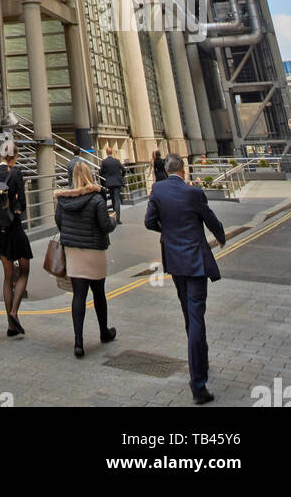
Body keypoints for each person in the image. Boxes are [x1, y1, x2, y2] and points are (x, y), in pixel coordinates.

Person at [144, 152, 226, 405]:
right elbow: (210, 220)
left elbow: (149, 222)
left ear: (168, 170)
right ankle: (198, 383)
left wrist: (167, 231)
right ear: (183, 169)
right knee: (196, 316)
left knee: (188, 314)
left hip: (175, 262)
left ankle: (200, 359)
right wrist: (221, 237)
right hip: (196, 261)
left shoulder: (157, 190)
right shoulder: (193, 193)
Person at [54, 159, 118, 357]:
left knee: (78, 296)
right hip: (94, 252)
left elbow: (59, 224)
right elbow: (105, 226)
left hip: (73, 252)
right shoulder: (97, 200)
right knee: (99, 294)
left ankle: (78, 342)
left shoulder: (63, 201)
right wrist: (114, 220)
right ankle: (104, 332)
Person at [0, 148, 32, 337]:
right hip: (14, 227)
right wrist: (15, 208)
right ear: (14, 157)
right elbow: (22, 202)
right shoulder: (16, 173)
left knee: (7, 275)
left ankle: (11, 326)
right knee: (24, 270)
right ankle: (14, 313)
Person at [100, 144, 125, 223]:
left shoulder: (104, 162)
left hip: (109, 182)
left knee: (113, 198)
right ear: (112, 152)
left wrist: (105, 178)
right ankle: (118, 218)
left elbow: (101, 172)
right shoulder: (116, 161)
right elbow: (124, 169)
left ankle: (115, 215)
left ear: (106, 153)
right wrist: (121, 176)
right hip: (117, 182)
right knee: (117, 199)